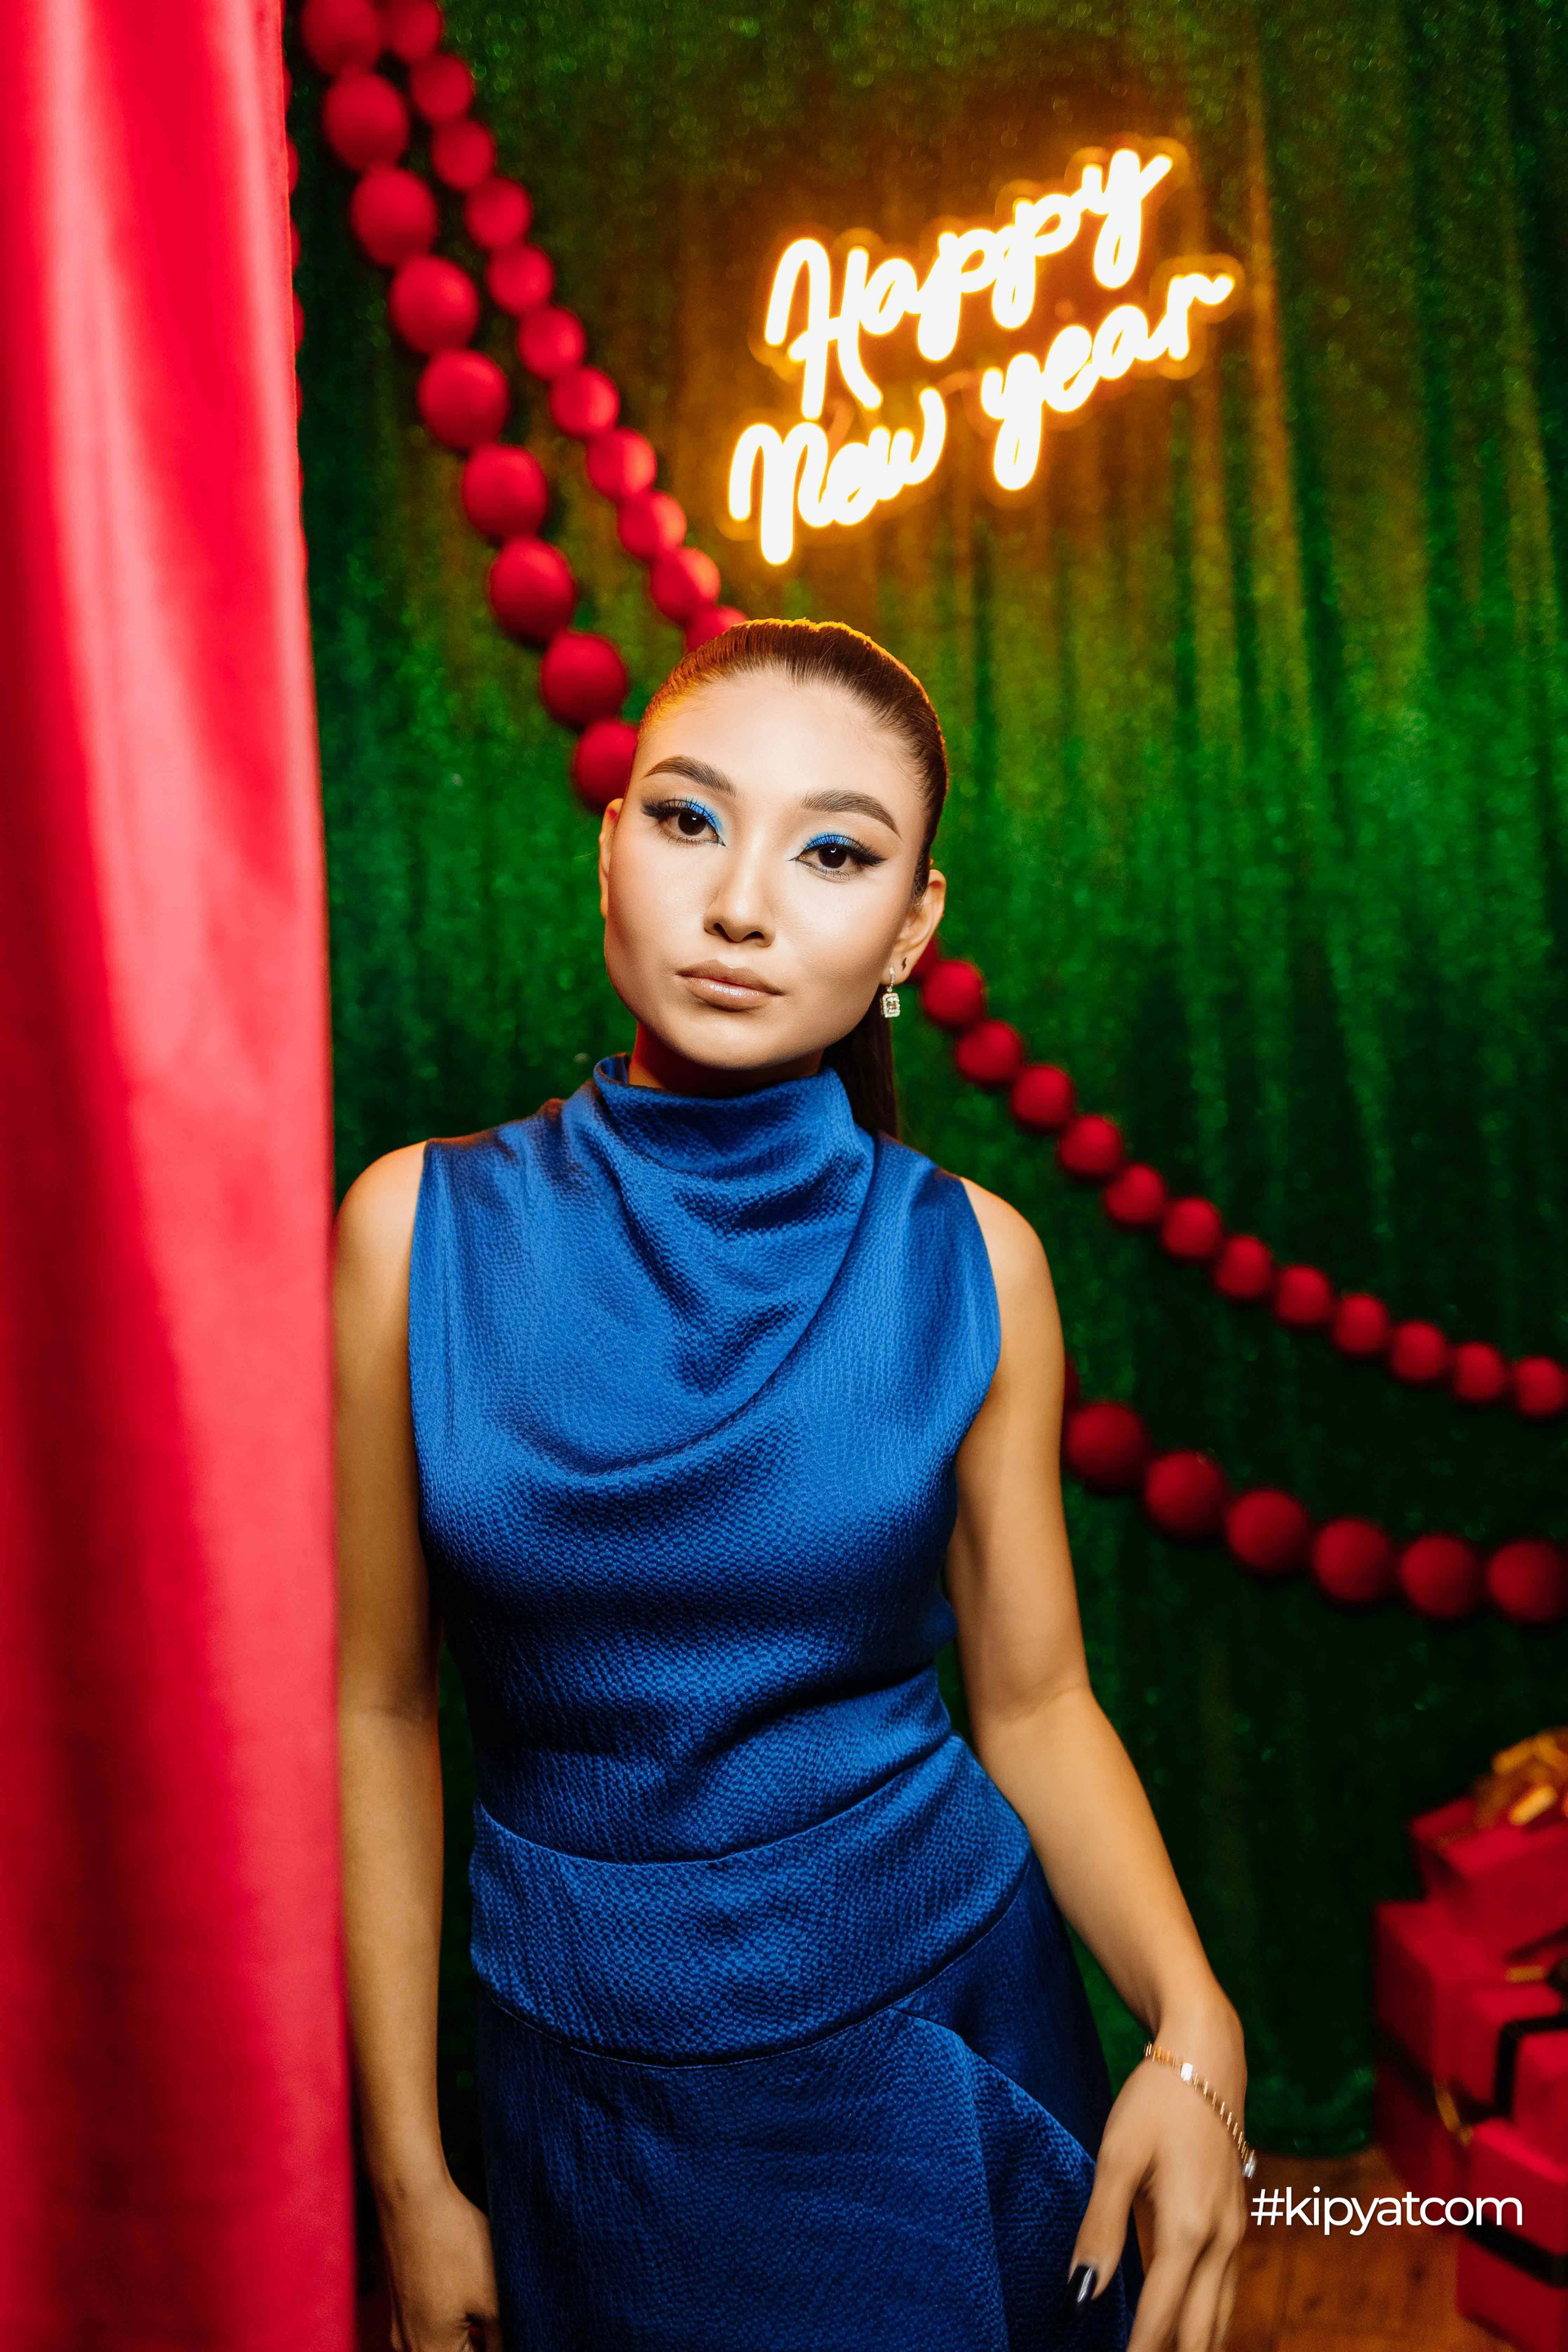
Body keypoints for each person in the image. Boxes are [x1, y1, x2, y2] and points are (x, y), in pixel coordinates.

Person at [333, 618, 1250, 2352]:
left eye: (834, 852)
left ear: (913, 927)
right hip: (578, 2092)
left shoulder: (978, 1262)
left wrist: (1200, 2029)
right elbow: (374, 1710)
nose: (743, 902)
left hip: (939, 2040)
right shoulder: (413, 1233)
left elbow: (1038, 1703)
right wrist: (407, 2177)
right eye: (691, 820)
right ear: (609, 844)